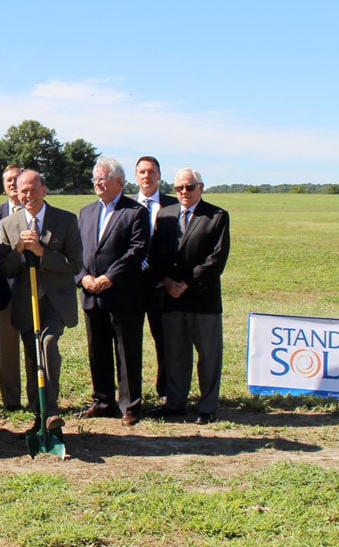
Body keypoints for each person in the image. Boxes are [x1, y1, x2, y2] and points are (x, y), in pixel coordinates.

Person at [0, 170, 82, 431]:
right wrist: (20, 250)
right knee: (33, 357)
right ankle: (39, 415)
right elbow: (5, 269)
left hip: (55, 301)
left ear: (45, 190)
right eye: (23, 191)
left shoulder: (66, 220)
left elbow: (75, 265)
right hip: (26, 302)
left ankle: (52, 408)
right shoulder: (9, 225)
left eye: (33, 189)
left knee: (47, 344)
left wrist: (42, 252)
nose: (28, 195)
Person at [146, 168, 231, 424]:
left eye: (189, 187)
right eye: (179, 188)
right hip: (171, 297)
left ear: (201, 188)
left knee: (208, 355)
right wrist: (166, 281)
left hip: (203, 299)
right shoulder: (167, 214)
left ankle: (207, 407)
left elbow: (216, 259)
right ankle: (175, 403)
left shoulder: (216, 216)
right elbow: (156, 254)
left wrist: (187, 282)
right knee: (175, 353)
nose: (184, 192)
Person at [76, 158, 150, 426]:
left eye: (103, 177)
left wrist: (110, 277)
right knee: (97, 349)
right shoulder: (85, 213)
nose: (98, 182)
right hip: (91, 293)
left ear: (119, 182)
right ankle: (103, 400)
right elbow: (77, 252)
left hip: (123, 294)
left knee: (126, 349)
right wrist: (83, 278)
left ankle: (129, 405)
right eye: (95, 178)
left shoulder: (136, 212)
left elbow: (137, 250)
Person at [134, 155, 178, 401]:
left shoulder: (173, 206)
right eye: (142, 172)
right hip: (134, 286)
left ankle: (167, 390)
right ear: (136, 177)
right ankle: (132, 394)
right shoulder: (127, 207)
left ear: (159, 175)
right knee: (130, 343)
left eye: (151, 172)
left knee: (165, 341)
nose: (146, 176)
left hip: (163, 286)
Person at [0, 164, 25, 410]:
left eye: (17, 179)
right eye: (8, 180)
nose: (13, 183)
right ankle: (11, 400)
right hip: (4, 294)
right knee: (7, 351)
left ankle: (37, 397)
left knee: (35, 349)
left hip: (33, 291)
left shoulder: (35, 211)